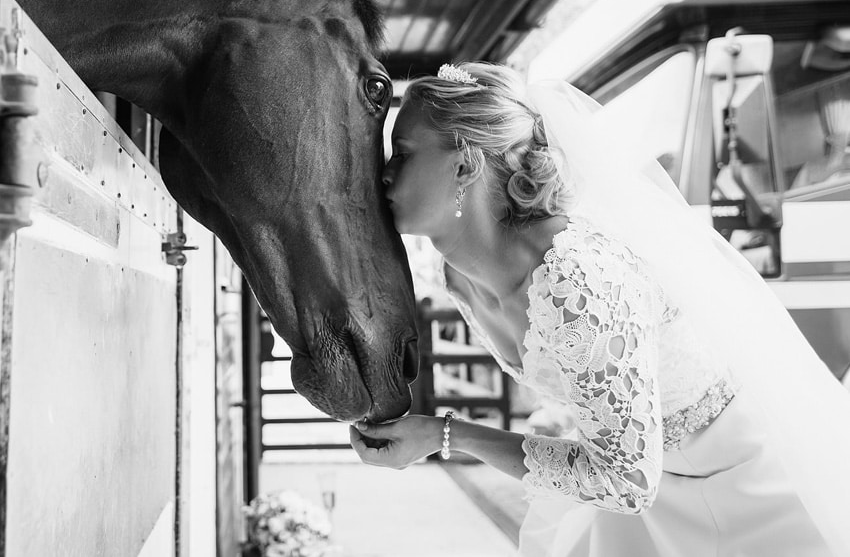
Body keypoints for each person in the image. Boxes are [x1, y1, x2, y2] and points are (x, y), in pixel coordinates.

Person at [349, 62, 850, 556]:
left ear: (464, 164)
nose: (384, 174)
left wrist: (444, 434)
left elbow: (626, 479)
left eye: (403, 152)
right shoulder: (457, 277)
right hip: (646, 498)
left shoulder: (577, 276)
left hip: (745, 488)